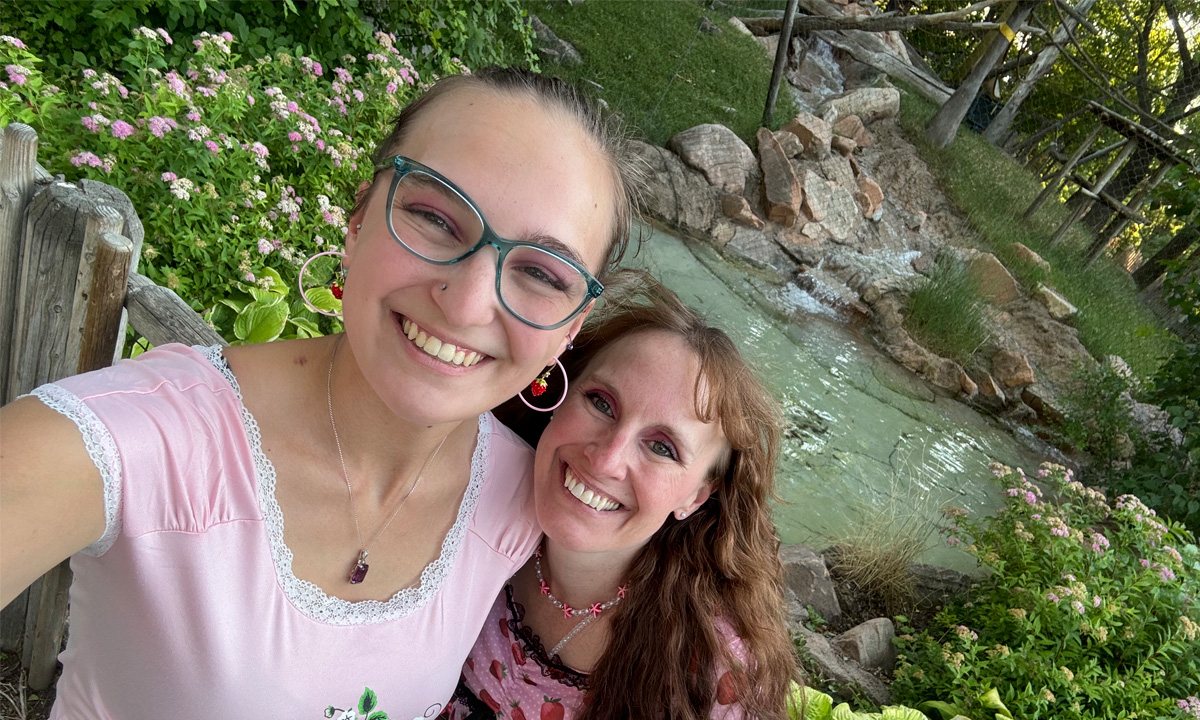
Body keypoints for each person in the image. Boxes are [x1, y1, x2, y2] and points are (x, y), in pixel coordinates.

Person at [0, 68, 643, 719]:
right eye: (434, 217)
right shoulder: (141, 442)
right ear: (358, 219)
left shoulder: (520, 499)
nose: (469, 302)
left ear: (570, 329)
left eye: (540, 272)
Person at [448, 273, 800, 720]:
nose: (607, 460)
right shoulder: (468, 484)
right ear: (562, 393)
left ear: (696, 496)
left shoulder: (714, 665)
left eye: (661, 447)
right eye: (600, 402)